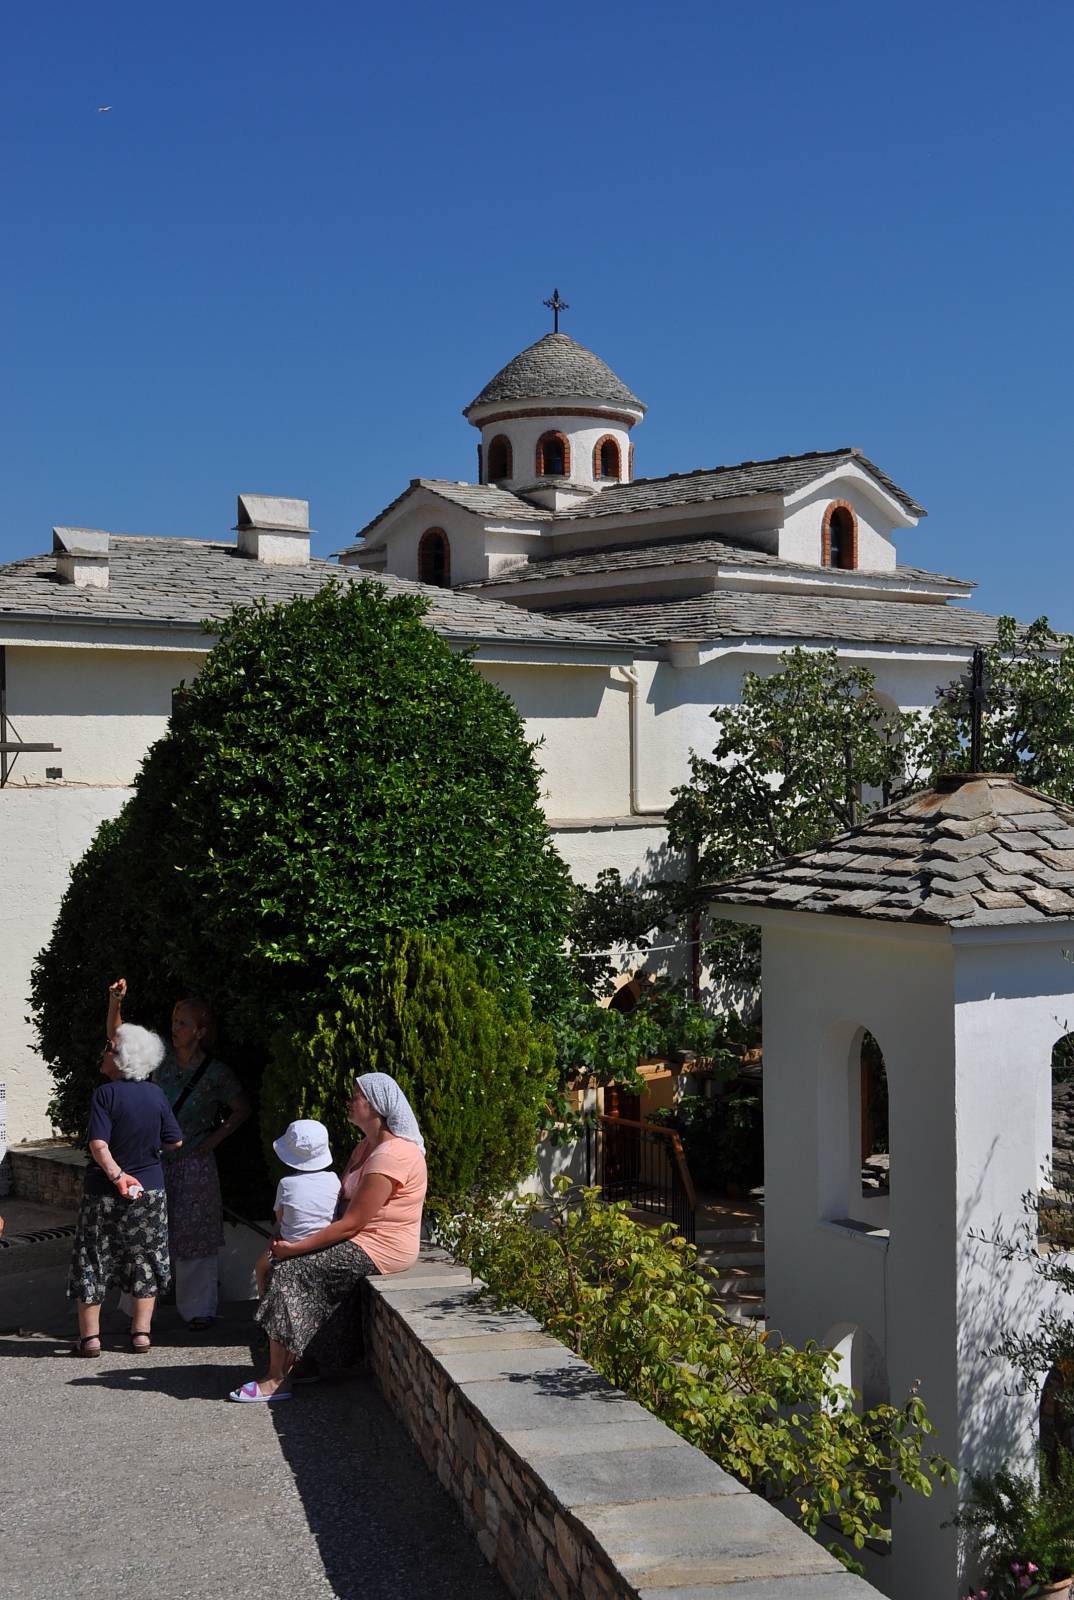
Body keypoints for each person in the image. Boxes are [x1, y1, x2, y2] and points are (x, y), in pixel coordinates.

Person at [231, 1072, 427, 1402]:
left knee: (290, 1271)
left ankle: (276, 1379)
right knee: (286, 1265)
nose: (349, 1101)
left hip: (380, 1246)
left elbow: (352, 1224)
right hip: (362, 1239)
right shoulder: (366, 1148)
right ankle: (304, 1364)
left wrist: (294, 1249)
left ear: (377, 1107)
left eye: (357, 1096)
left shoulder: (391, 1155)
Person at [108, 979, 251, 1331]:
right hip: (150, 1160)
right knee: (144, 1233)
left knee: (194, 1235)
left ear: (201, 1031)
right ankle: (138, 1313)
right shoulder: (160, 1058)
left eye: (183, 1023)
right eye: (174, 1021)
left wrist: (212, 1141)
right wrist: (115, 1002)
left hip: (194, 1164)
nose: (174, 1028)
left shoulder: (216, 1072)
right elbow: (119, 1038)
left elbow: (241, 1109)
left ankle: (198, 1310)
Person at [67, 1023, 183, 1355]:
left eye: (109, 1048)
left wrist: (118, 1176)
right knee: (144, 1258)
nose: (104, 1053)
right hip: (149, 1191)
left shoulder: (105, 1094)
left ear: (120, 1059)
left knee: (94, 1258)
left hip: (103, 1191)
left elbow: (98, 1144)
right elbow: (174, 1139)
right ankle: (141, 1334)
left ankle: (90, 1338)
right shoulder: (156, 1094)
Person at [255, 1120, 341, 1298]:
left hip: (289, 1248)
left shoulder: (286, 1184)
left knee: (260, 1267)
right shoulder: (334, 1179)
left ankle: (262, 1307)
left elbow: (281, 1217)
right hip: (328, 1245)